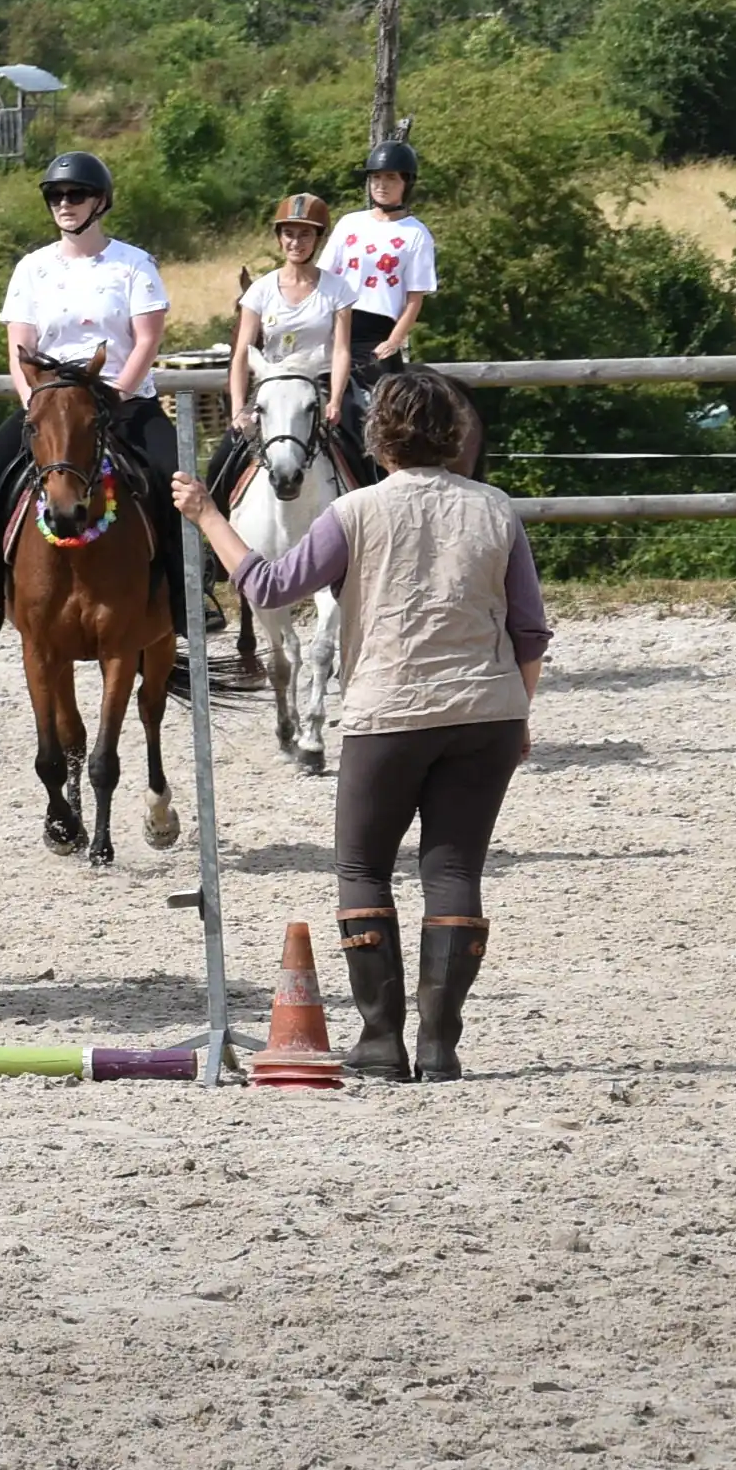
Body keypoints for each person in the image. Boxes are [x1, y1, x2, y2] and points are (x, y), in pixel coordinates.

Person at [176, 363, 543, 1080]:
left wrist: (208, 516)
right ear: (455, 435)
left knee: (363, 869)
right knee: (455, 868)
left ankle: (381, 1039)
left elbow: (269, 585)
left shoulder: (353, 512)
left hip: (391, 712)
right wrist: (519, 711)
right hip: (489, 710)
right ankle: (440, 1048)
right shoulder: (497, 507)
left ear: (379, 438)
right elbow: (530, 632)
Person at [0, 148, 181, 643]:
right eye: (55, 195)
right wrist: (33, 404)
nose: (64, 203)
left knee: (175, 481)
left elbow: (147, 339)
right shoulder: (31, 268)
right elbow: (20, 348)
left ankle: (187, 594)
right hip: (50, 406)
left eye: (76, 194)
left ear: (100, 201)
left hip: (122, 401)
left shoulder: (133, 264)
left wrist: (116, 395)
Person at [323, 138, 438, 486]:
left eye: (390, 178)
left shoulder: (416, 235)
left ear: (407, 182)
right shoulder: (348, 224)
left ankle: (379, 484)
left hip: (377, 334)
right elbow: (325, 278)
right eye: (376, 178)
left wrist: (394, 341)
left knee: (384, 416)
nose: (381, 185)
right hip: (334, 324)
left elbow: (414, 298)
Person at [225, 193, 345, 485]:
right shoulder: (260, 290)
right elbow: (242, 353)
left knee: (366, 449)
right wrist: (239, 408)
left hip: (322, 383)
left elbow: (341, 350)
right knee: (223, 462)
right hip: (271, 385)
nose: (296, 242)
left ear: (318, 238)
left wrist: (337, 401)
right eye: (289, 234)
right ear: (279, 238)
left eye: (305, 234)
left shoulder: (337, 288)